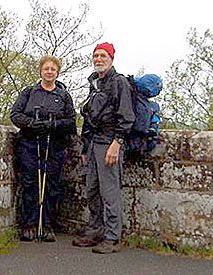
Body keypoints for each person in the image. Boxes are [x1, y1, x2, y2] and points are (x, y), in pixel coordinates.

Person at [72, 42, 135, 253]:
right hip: (93, 144)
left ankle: (112, 237)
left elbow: (126, 117)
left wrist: (117, 144)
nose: (98, 59)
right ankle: (96, 231)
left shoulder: (120, 83)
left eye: (103, 56)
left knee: (109, 192)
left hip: (109, 143)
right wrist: (84, 148)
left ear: (111, 59)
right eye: (96, 55)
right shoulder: (95, 84)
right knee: (92, 191)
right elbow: (90, 118)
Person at [11, 55, 76, 242]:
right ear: (40, 71)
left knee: (51, 185)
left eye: (53, 69)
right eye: (46, 69)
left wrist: (53, 126)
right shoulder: (29, 92)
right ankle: (29, 224)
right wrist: (31, 123)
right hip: (30, 145)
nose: (49, 72)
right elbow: (15, 114)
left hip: (54, 146)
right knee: (31, 183)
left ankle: (47, 225)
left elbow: (71, 121)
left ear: (57, 72)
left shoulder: (63, 96)